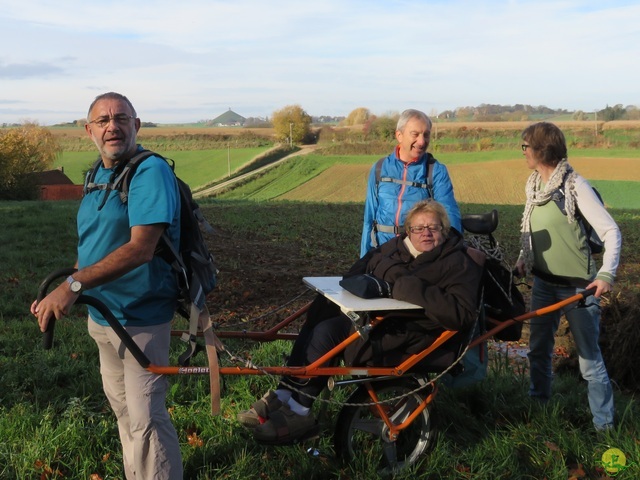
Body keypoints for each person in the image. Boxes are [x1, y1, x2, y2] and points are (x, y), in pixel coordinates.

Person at [238, 199, 483, 444]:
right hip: (384, 320)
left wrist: (402, 284)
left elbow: (460, 314)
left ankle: (300, 409)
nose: (426, 233)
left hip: (415, 333)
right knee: (322, 309)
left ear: (445, 229)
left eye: (433, 227)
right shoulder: (396, 247)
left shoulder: (457, 263)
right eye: (419, 228)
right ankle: (285, 393)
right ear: (409, 230)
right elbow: (357, 270)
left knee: (329, 333)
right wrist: (392, 278)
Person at [31, 92, 183, 478]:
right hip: (103, 315)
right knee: (124, 410)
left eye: (121, 118)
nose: (112, 126)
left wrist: (72, 287)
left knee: (146, 418)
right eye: (102, 120)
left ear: (137, 125)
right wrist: (68, 287)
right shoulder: (97, 175)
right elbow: (92, 244)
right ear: (88, 130)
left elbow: (140, 249)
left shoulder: (150, 172)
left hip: (141, 315)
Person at [514, 122, 622, 432]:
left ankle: (604, 427)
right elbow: (532, 230)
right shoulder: (534, 186)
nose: (523, 152)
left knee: (589, 361)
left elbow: (611, 231)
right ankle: (539, 407)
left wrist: (606, 275)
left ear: (541, 150)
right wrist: (524, 259)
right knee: (537, 351)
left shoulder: (575, 186)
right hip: (545, 284)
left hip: (579, 289)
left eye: (526, 147)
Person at [360, 109, 462, 257]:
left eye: (426, 135)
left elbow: (450, 215)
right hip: (382, 252)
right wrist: (364, 259)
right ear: (399, 135)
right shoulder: (380, 168)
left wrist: (453, 254)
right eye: (415, 134)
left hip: (417, 256)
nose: (422, 141)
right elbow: (369, 218)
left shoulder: (435, 171)